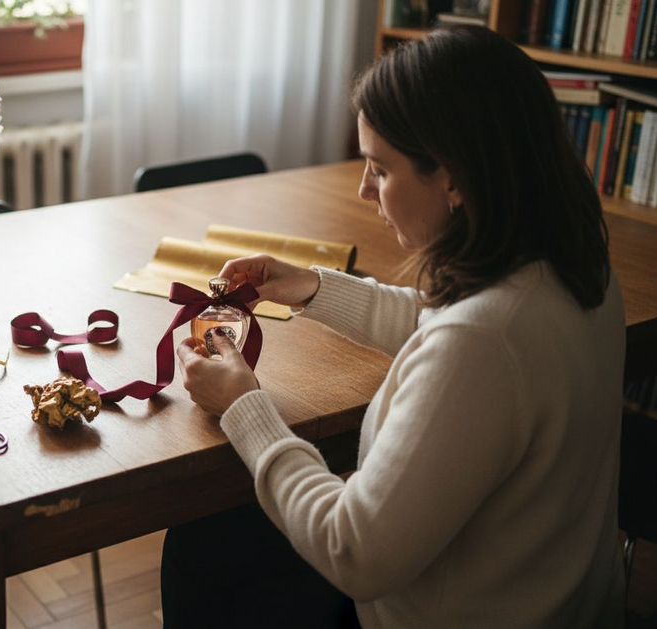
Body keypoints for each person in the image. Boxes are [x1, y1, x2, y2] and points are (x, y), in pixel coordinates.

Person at [164, 25, 626, 629]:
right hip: (553, 597)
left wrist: (245, 406)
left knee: (197, 551)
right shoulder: (572, 263)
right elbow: (442, 324)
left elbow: (351, 551)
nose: (364, 190)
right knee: (212, 543)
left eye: (380, 169)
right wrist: (310, 285)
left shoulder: (483, 341)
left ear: (455, 177)